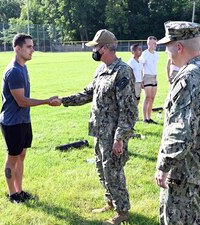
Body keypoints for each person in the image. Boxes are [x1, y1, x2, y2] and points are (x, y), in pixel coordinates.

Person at [50, 29, 137, 225]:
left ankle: (122, 212)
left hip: (113, 134)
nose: (94, 50)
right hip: (99, 131)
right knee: (101, 168)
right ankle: (111, 202)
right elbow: (87, 93)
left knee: (113, 170)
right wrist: (63, 100)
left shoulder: (122, 71)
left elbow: (129, 110)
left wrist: (120, 137)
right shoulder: (101, 70)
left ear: (105, 48)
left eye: (96, 47)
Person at [155, 21, 200, 225]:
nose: (166, 51)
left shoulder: (189, 77)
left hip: (185, 174)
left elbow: (181, 132)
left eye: (168, 46)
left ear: (179, 47)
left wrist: (164, 166)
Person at [0, 33, 58, 203]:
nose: (33, 50)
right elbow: (22, 101)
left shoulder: (23, 67)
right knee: (12, 157)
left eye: (32, 46)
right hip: (12, 122)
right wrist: (47, 101)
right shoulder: (14, 71)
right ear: (18, 49)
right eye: (29, 47)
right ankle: (12, 195)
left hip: (23, 120)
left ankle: (19, 190)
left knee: (22, 154)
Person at [140, 36, 159, 124]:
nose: (155, 45)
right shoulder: (144, 54)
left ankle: (149, 117)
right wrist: (142, 79)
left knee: (152, 98)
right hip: (147, 76)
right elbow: (141, 67)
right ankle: (144, 118)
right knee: (147, 97)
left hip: (154, 76)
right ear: (148, 44)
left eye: (156, 43)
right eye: (153, 43)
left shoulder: (156, 54)